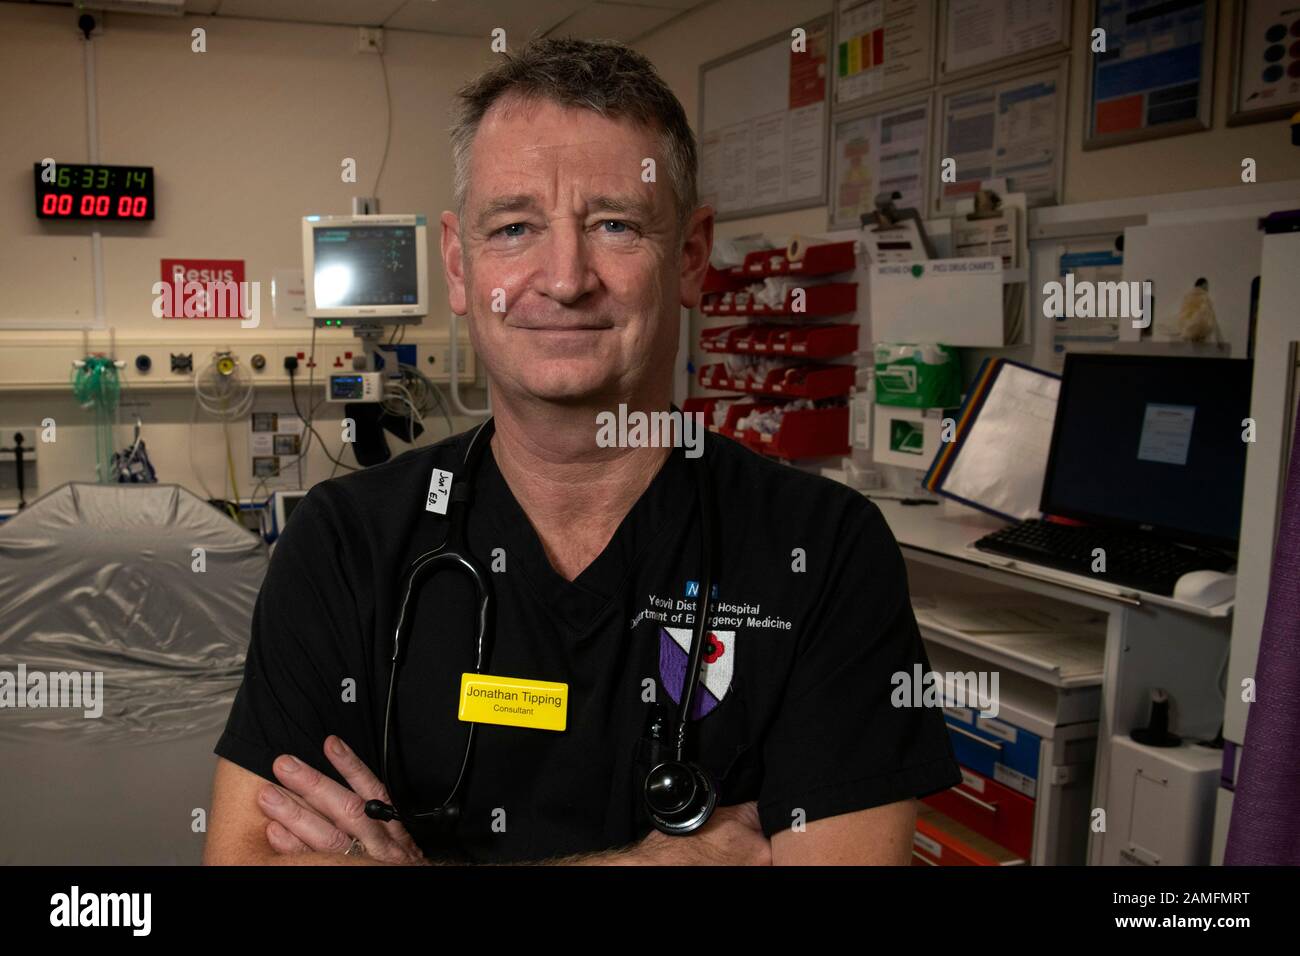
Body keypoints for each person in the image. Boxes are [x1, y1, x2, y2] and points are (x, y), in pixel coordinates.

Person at [203, 37, 960, 866]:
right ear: (459, 264)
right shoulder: (344, 544)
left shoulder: (824, 552)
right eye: (515, 226)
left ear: (692, 255)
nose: (564, 278)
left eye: (614, 224)